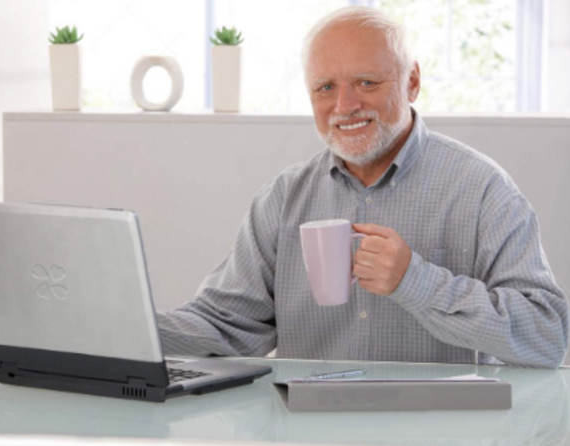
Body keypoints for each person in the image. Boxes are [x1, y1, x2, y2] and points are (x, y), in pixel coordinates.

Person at [156, 7, 568, 368]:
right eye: (325, 88)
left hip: (446, 430)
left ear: (411, 82)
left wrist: (415, 280)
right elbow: (225, 325)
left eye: (367, 83)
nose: (345, 105)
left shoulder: (482, 190)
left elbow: (546, 337)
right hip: (309, 430)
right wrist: (121, 327)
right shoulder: (282, 200)